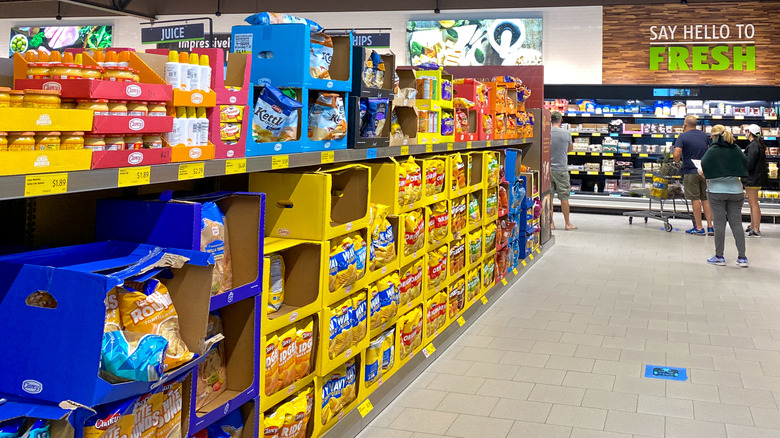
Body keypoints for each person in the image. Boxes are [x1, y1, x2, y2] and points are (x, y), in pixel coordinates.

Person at [701, 125, 749, 267]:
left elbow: (703, 165)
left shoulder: (713, 150)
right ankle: (742, 257)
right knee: (737, 224)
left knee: (719, 225)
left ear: (714, 136)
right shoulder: (736, 149)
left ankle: (719, 257)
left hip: (716, 191)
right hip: (736, 190)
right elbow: (745, 163)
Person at [673, 116, 713, 236]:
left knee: (695, 199)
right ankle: (710, 226)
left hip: (690, 171)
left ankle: (699, 227)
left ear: (685, 125)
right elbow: (710, 151)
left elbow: (676, 153)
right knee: (705, 198)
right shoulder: (704, 135)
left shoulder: (683, 137)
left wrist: (678, 162)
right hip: (704, 172)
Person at [549, 111, 576, 230]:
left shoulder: (546, 133)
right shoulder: (566, 133)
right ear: (560, 120)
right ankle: (567, 223)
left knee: (548, 198)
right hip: (561, 169)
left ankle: (550, 223)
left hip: (548, 169)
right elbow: (569, 149)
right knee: (564, 198)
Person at [743, 124, 768, 238]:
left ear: (749, 132)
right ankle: (753, 225)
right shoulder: (758, 144)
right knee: (752, 203)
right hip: (755, 178)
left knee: (753, 203)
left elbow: (750, 163)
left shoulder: (753, 146)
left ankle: (756, 229)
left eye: (746, 131)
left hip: (752, 178)